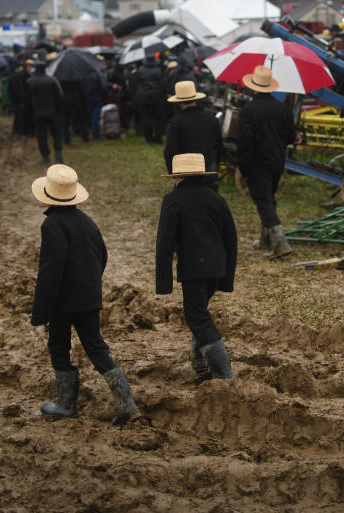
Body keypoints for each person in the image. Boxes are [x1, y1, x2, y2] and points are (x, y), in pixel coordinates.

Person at [30, 164, 140, 425]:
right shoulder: (87, 222)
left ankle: (66, 405)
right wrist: (89, 283)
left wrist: (40, 312)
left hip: (62, 302)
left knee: (58, 346)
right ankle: (127, 404)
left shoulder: (51, 224)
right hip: (89, 298)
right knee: (95, 346)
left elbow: (50, 270)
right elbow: (102, 256)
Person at [156, 153, 237, 380]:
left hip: (194, 269)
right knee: (200, 309)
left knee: (196, 316)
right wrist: (227, 277)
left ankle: (224, 373)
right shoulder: (217, 199)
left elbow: (164, 242)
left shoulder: (173, 200)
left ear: (178, 177)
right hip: (217, 267)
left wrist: (163, 283)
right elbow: (231, 239)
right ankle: (199, 359)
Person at [237, 65, 296, 259]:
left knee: (263, 201)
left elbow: (246, 142)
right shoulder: (283, 109)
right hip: (277, 160)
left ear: (253, 87)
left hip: (257, 162)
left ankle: (280, 242)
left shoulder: (248, 110)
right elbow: (290, 138)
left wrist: (244, 167)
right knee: (268, 198)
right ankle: (266, 239)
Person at [164, 81, 223, 190]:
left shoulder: (176, 122)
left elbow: (170, 151)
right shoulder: (212, 119)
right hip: (209, 169)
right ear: (195, 99)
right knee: (210, 204)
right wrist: (215, 166)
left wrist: (173, 173)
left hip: (186, 172)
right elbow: (219, 147)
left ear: (179, 102)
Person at [27, 59, 66, 165]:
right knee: (57, 134)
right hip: (53, 112)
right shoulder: (52, 80)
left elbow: (27, 99)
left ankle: (45, 159)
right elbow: (60, 96)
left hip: (38, 113)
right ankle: (58, 158)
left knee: (41, 136)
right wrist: (60, 111)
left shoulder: (30, 81)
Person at [133, 54, 166, 144]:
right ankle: (158, 137)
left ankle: (149, 138)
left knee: (146, 118)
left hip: (143, 97)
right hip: (155, 97)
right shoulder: (158, 70)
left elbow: (136, 82)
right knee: (158, 118)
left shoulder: (140, 70)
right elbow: (162, 84)